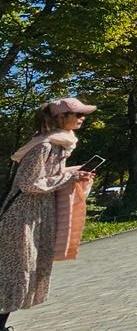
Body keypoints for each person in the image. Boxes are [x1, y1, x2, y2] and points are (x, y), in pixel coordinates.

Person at [1, 98, 98, 330]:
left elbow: (50, 174)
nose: (82, 118)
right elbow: (27, 182)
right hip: (22, 217)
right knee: (16, 274)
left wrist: (76, 172)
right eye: (77, 114)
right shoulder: (44, 145)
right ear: (61, 118)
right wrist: (69, 177)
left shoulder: (59, 144)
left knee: (24, 272)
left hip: (37, 215)